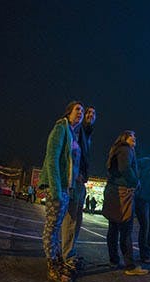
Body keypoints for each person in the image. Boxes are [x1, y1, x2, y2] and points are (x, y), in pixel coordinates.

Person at [38, 101, 85, 282]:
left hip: (65, 189)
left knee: (56, 227)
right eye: (77, 109)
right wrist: (56, 189)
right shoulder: (60, 128)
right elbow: (52, 159)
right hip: (55, 187)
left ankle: (56, 261)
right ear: (69, 112)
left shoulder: (73, 134)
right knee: (52, 227)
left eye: (82, 110)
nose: (80, 112)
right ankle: (51, 266)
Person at [104, 130, 148, 276]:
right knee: (126, 229)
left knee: (113, 228)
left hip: (113, 190)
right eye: (132, 136)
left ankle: (114, 259)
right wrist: (136, 182)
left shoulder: (117, 149)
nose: (134, 139)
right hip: (123, 192)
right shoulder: (126, 149)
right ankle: (130, 265)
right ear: (124, 138)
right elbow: (125, 169)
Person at [61, 105, 96, 272]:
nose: (89, 115)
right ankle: (66, 254)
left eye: (92, 114)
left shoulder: (87, 134)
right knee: (71, 218)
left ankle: (69, 252)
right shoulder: (76, 129)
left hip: (81, 179)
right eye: (86, 112)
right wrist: (76, 173)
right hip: (75, 178)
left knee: (77, 218)